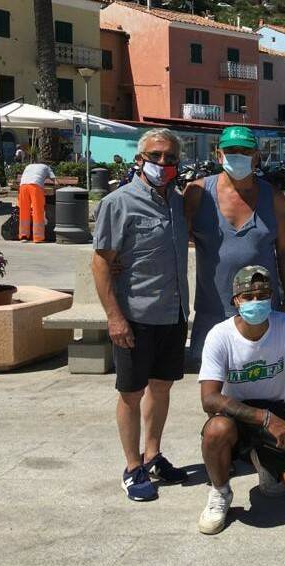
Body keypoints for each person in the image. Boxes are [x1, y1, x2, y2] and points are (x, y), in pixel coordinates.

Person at [92, 128, 190, 502]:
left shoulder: (178, 203)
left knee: (161, 388)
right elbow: (101, 264)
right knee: (131, 392)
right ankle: (133, 468)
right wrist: (114, 318)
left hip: (172, 312)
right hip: (134, 315)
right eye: (156, 156)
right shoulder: (118, 203)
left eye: (170, 158)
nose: (163, 163)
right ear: (140, 159)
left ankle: (153, 454)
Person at [196, 265, 285, 535]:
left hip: (277, 418)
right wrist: (264, 418)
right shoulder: (220, 335)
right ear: (236, 301)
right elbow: (209, 399)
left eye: (263, 296)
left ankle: (267, 466)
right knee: (216, 430)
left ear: (272, 297)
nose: (256, 302)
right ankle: (220, 492)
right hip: (236, 418)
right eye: (249, 297)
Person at [184, 126, 285, 366]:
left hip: (262, 308)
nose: (238, 156)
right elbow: (173, 240)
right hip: (213, 311)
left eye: (245, 151)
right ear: (218, 154)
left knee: (262, 376)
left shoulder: (274, 197)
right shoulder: (197, 193)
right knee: (215, 390)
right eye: (231, 150)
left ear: (256, 156)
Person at [17, 163, 55, 243]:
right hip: (35, 186)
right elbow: (55, 180)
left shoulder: (28, 166)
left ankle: (24, 236)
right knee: (37, 210)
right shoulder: (47, 167)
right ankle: (38, 237)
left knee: (24, 211)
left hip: (23, 186)